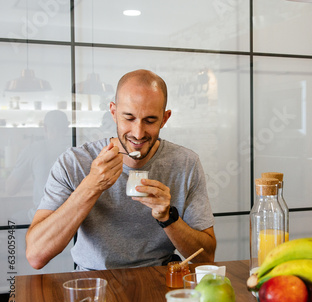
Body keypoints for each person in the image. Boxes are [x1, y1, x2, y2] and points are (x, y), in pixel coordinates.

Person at [26, 69, 216, 270]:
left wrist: (169, 217)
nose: (138, 133)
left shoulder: (186, 163)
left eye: (150, 120)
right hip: (93, 283)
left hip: (161, 279)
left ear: (165, 118)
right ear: (113, 112)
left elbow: (207, 258)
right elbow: (36, 255)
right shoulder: (74, 162)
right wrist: (91, 186)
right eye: (129, 118)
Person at [6, 110, 71, 223]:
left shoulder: (34, 149)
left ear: (44, 127)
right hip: (75, 216)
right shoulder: (76, 148)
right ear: (67, 128)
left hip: (45, 219)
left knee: (13, 220)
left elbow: (10, 189)